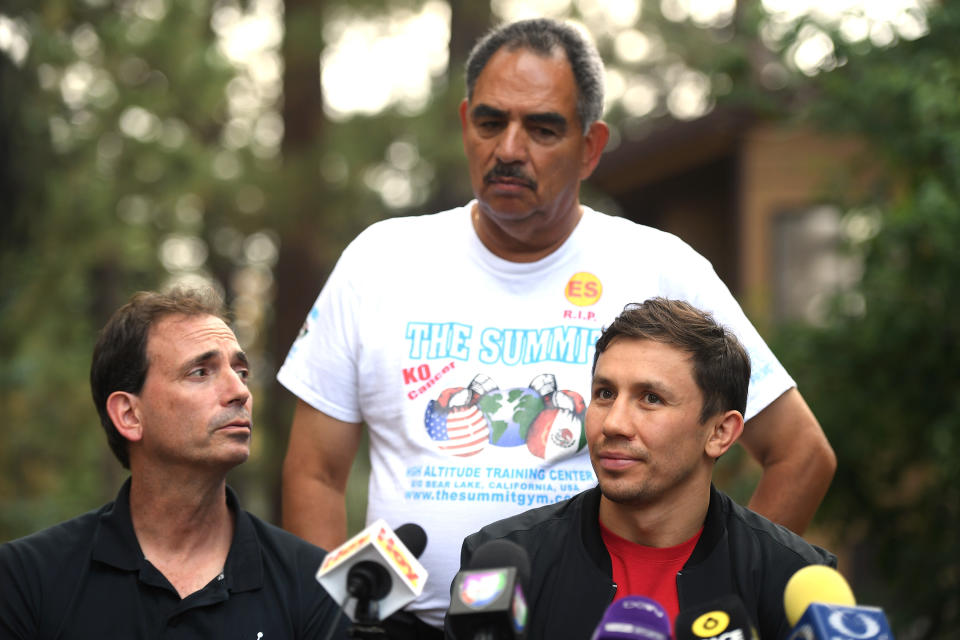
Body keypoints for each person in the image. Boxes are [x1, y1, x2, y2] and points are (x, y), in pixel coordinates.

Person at [277, 17, 835, 636]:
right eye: (491, 122)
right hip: (402, 626)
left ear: (591, 147)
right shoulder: (378, 261)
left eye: (542, 128)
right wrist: (333, 624)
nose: (509, 149)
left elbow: (799, 454)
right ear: (466, 124)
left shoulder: (661, 268)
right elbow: (315, 474)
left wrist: (714, 609)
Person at [450, 298, 836, 639]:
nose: (614, 423)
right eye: (605, 394)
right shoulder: (504, 562)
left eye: (650, 398)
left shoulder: (792, 579)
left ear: (720, 432)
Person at [0, 288, 347, 639]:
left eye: (241, 372)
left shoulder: (313, 584)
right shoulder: (27, 579)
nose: (240, 392)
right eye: (200, 372)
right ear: (129, 415)